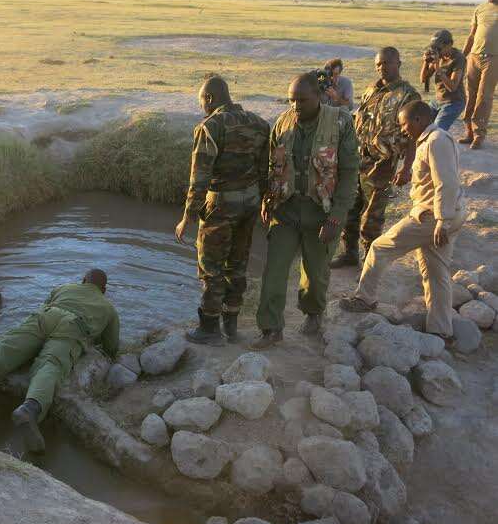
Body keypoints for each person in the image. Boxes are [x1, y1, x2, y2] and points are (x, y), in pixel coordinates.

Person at [0, 269, 120, 452]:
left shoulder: (64, 287)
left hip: (45, 316)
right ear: (103, 290)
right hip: (73, 327)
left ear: (83, 280)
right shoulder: (108, 308)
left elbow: (45, 305)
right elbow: (111, 346)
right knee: (50, 365)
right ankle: (30, 408)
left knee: (3, 351)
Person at [251, 73, 360, 349]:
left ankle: (313, 313)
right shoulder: (282, 123)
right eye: (291, 100)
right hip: (286, 211)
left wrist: (337, 215)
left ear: (319, 97)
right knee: (273, 270)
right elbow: (271, 167)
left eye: (302, 99)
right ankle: (270, 328)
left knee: (315, 272)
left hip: (321, 211)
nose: (296, 105)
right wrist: (268, 200)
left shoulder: (340, 122)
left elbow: (349, 173)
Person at [340, 101, 465, 341]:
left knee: (380, 247)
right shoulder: (434, 139)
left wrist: (442, 221)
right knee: (436, 271)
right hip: (446, 214)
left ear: (418, 119)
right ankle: (441, 330)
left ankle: (364, 298)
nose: (403, 129)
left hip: (432, 217)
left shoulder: (436, 141)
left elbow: (446, 183)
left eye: (404, 124)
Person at [175, 76, 270, 345]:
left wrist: (187, 217)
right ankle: (231, 326)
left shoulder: (210, 127)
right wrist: (264, 201)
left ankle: (209, 328)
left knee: (211, 266)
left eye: (201, 102)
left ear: (209, 99)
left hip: (221, 203)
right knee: (238, 263)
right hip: (250, 201)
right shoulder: (259, 123)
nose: (201, 108)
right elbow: (266, 169)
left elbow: (199, 178)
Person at [330, 47, 421, 269]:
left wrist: (407, 167)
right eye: (378, 64)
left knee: (372, 218)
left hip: (383, 167)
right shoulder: (371, 89)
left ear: (398, 63)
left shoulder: (408, 95)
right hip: (357, 162)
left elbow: (413, 136)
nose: (382, 68)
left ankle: (369, 261)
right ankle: (350, 254)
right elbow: (359, 122)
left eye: (386, 63)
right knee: (350, 210)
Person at [460, 0, 498, 150]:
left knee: (484, 97)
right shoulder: (480, 9)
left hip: (493, 58)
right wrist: (462, 56)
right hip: (474, 57)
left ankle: (479, 135)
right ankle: (468, 131)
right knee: (471, 95)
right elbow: (471, 35)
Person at [420, 29, 467, 131]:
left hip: (454, 102)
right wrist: (425, 62)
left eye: (438, 48)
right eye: (434, 47)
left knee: (437, 131)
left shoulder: (458, 58)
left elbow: (453, 87)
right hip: (438, 100)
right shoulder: (438, 55)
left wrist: (438, 68)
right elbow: (423, 79)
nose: (436, 50)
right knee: (421, 123)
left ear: (449, 44)